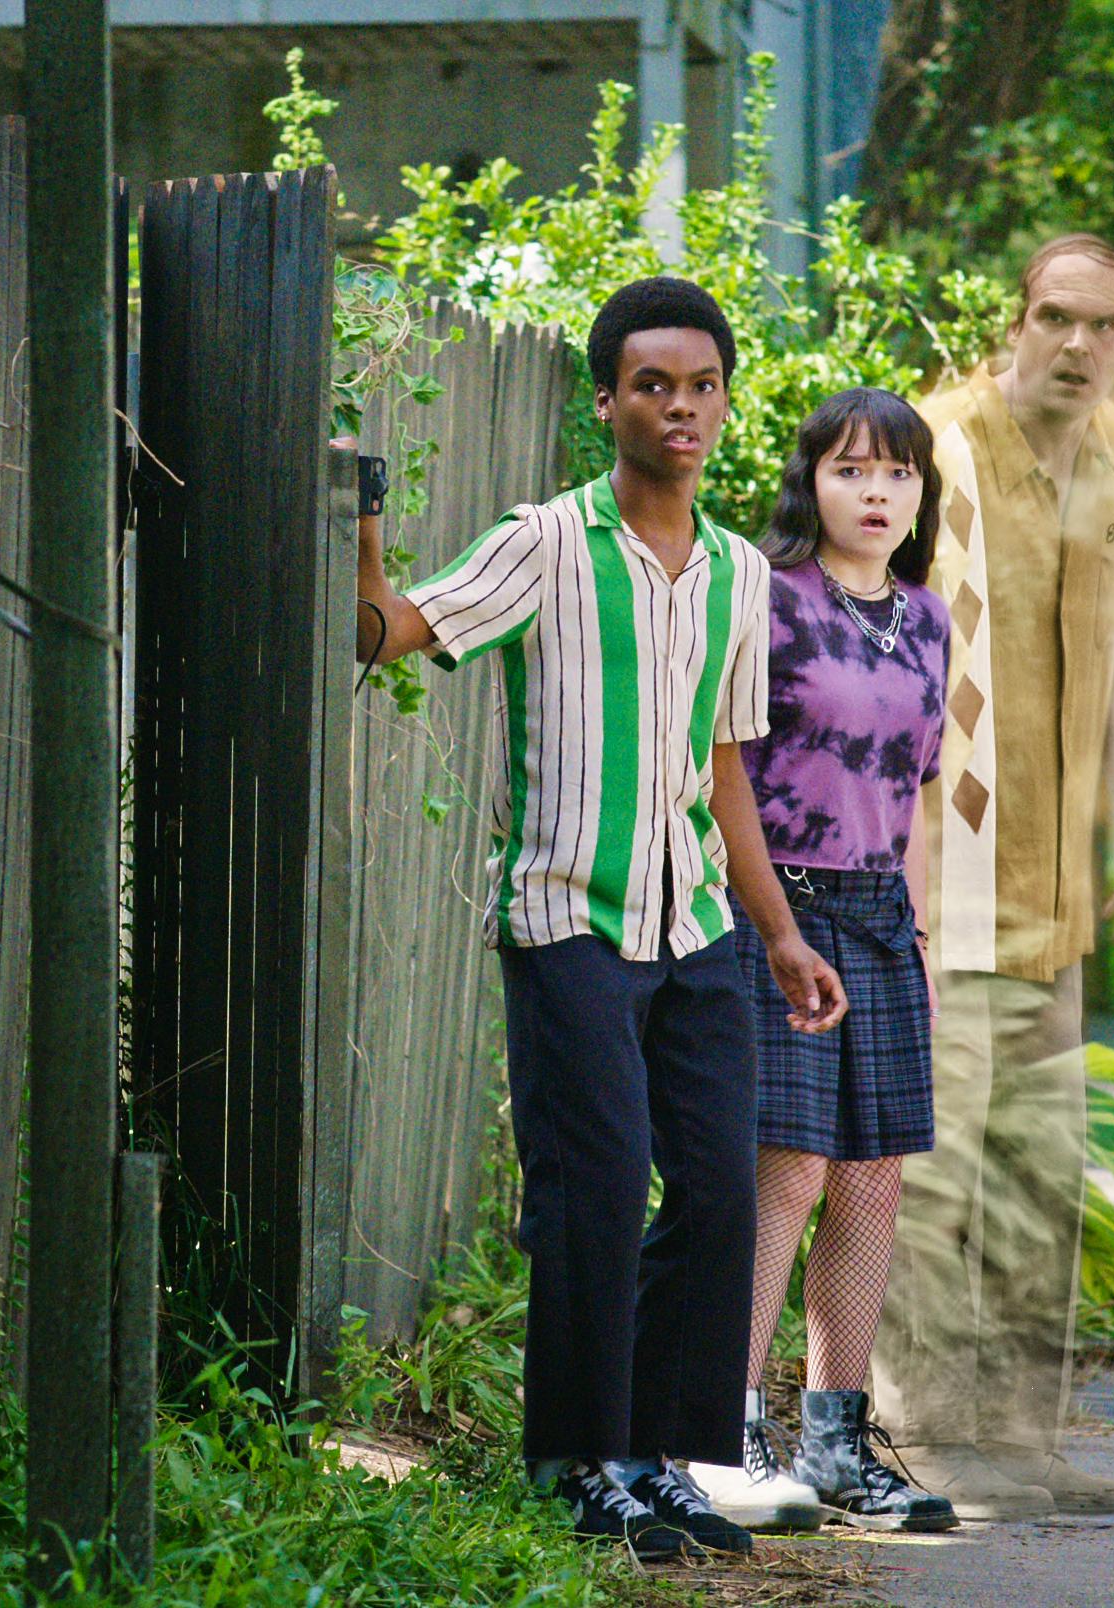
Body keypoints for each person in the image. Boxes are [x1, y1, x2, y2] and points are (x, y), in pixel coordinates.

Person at [352, 276, 848, 1562]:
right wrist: (354, 543)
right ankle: (577, 1463)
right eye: (651, 386)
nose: (679, 408)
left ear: (726, 402)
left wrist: (781, 932)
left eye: (701, 387)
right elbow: (390, 631)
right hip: (566, 918)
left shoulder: (742, 573)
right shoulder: (544, 543)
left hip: (698, 928)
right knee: (594, 1188)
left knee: (721, 1192)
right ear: (607, 402)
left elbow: (726, 768)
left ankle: (660, 1457)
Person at [869, 233, 1114, 1520]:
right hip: (948, 870)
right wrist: (903, 877)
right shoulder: (934, 450)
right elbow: (882, 649)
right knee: (936, 1167)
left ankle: (1024, 1445)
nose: (1077, 346)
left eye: (1103, 327)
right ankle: (928, 1443)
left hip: (1058, 887)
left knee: (1043, 1170)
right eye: (1057, 317)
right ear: (1016, 322)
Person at [670, 387, 964, 1534]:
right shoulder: (773, 603)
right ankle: (726, 1432)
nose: (877, 492)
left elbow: (915, 800)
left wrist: (921, 941)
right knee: (786, 1168)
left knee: (873, 1174)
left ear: (921, 493)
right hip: (774, 909)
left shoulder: (931, 619)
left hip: (881, 916)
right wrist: (762, 918)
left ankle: (836, 1445)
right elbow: (722, 761)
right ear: (812, 484)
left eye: (898, 473)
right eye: (851, 470)